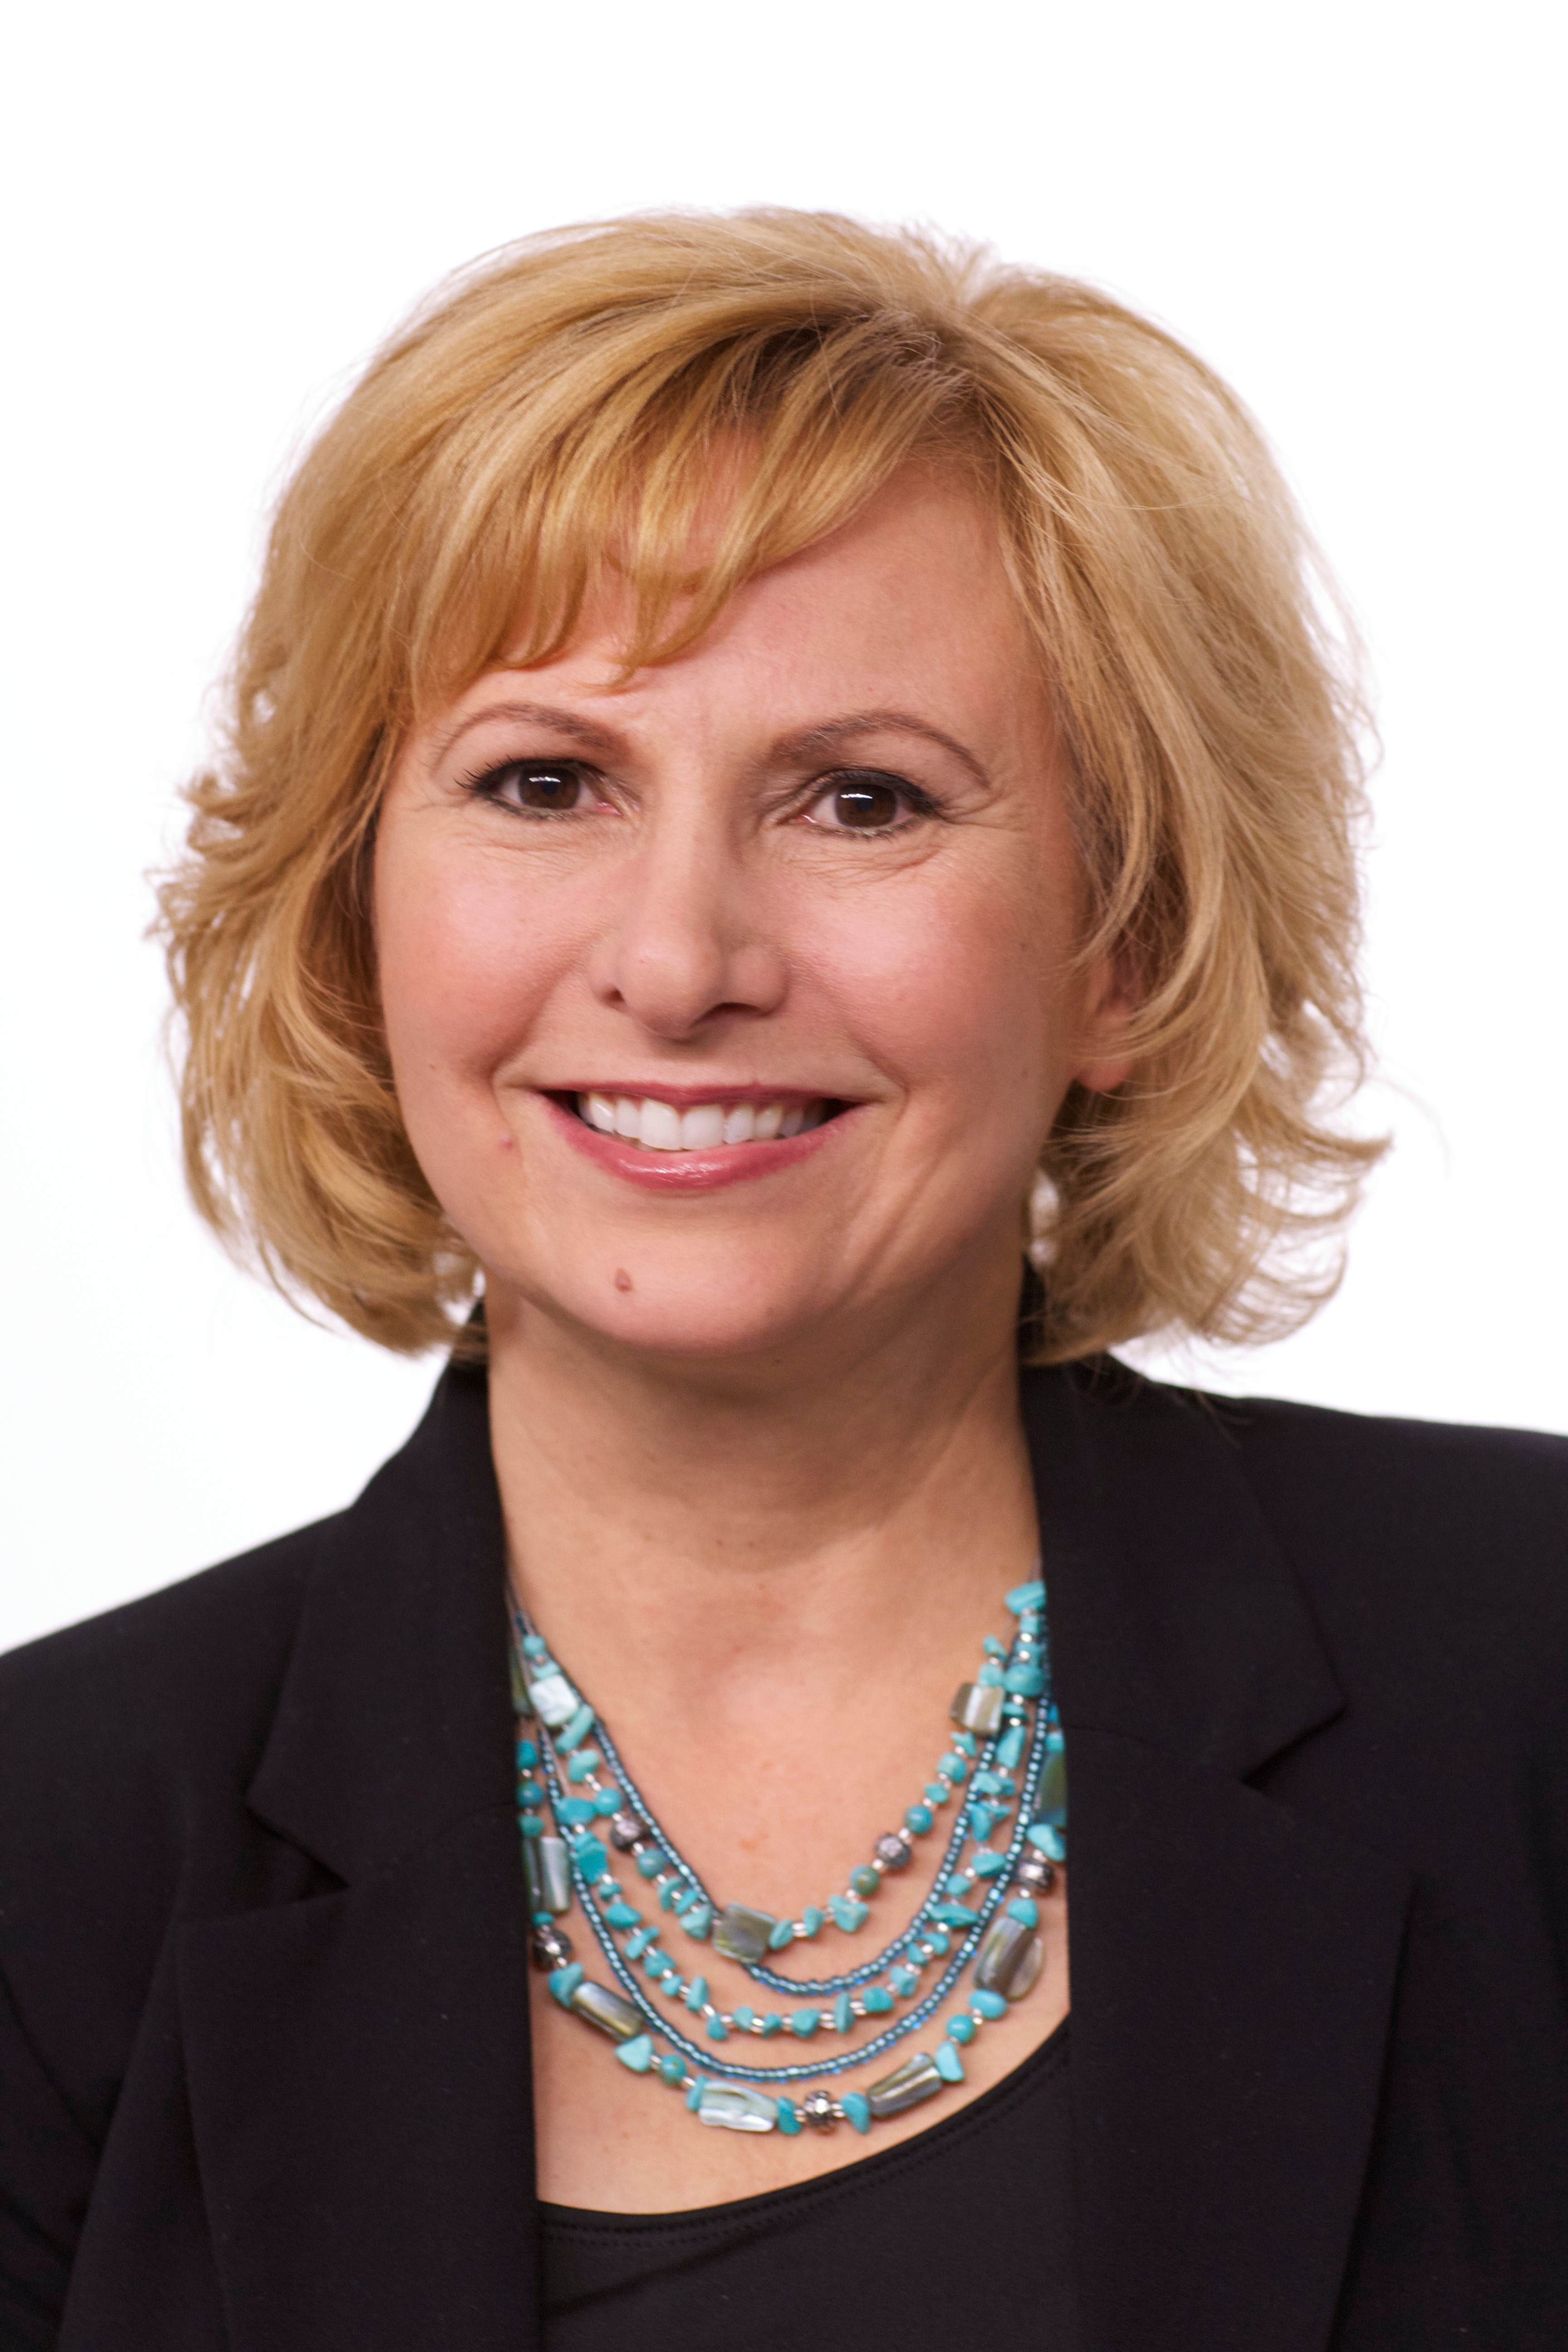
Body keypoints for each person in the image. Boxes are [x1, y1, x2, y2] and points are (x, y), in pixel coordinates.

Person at [1, 209, 1564, 2352]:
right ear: (354, 921)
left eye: (860, 800)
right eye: (544, 781)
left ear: (1125, 945)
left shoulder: (1532, 1670)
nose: (679, 961)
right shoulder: (45, 1862)